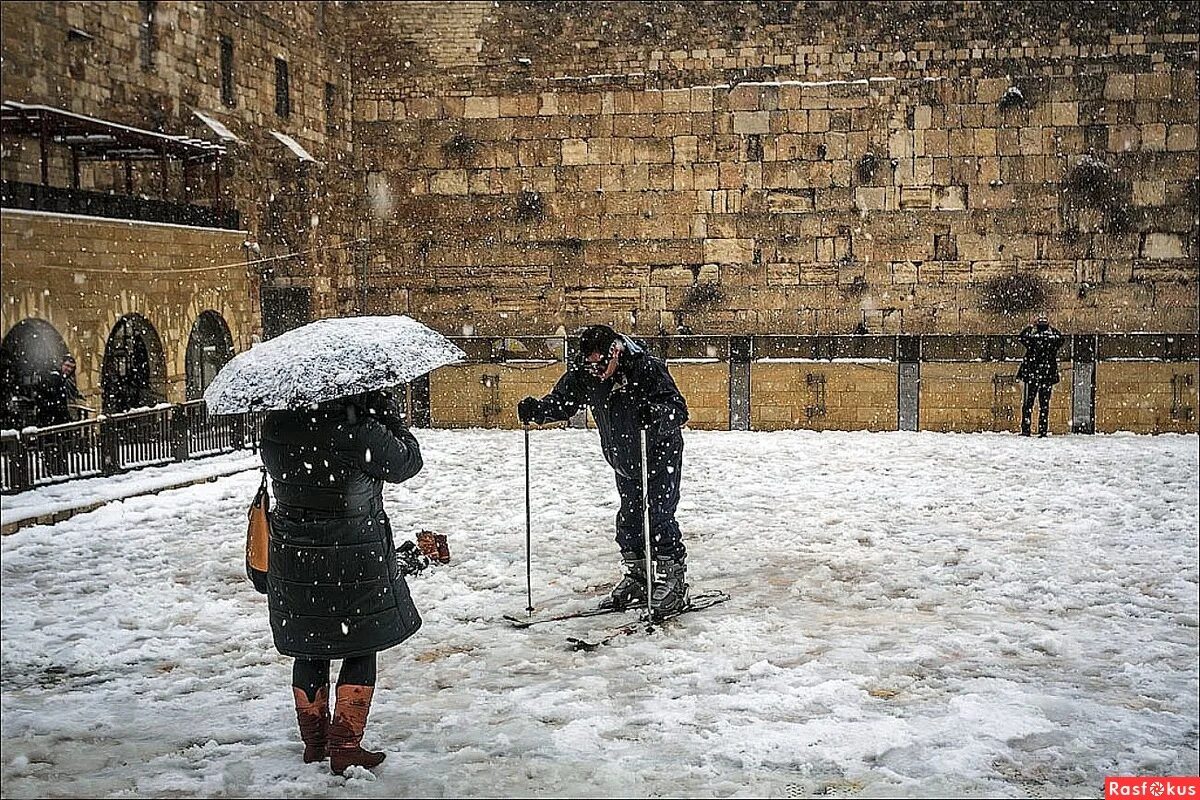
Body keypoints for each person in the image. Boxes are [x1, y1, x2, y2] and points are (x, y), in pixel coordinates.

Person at [259, 389, 424, 776]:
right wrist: (388, 417)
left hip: (294, 554)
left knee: (309, 644)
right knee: (361, 644)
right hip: (352, 553)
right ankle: (345, 745)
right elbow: (407, 463)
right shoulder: (357, 428)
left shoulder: (278, 424)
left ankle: (314, 742)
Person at [517, 324, 691, 616]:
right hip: (623, 457)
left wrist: (656, 413)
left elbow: (678, 409)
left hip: (659, 453)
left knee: (659, 516)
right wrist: (538, 411)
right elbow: (563, 402)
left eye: (600, 364)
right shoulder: (586, 375)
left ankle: (673, 580)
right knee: (630, 518)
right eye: (589, 365)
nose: (595, 372)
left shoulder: (645, 368)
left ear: (616, 351)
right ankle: (638, 576)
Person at [1016, 315, 1064, 437]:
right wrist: (1052, 328)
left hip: (1033, 376)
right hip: (1046, 377)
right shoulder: (1051, 340)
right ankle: (1042, 430)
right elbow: (1061, 339)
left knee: (1028, 403)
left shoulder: (1033, 339)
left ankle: (1026, 429)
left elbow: (1021, 337)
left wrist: (1031, 326)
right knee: (1044, 405)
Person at [34, 355, 82, 427]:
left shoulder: (65, 381)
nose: (69, 369)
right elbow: (56, 401)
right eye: (67, 365)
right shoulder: (54, 378)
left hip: (54, 419)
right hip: (51, 419)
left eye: (72, 367)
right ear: (61, 364)